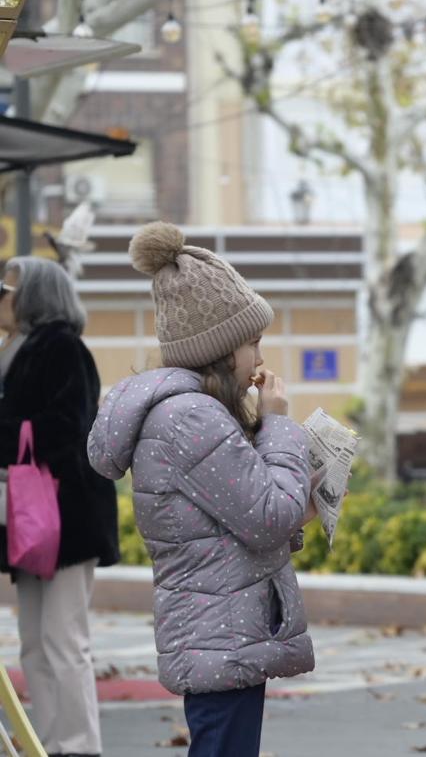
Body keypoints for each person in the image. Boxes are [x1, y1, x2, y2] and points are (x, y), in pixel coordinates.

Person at [87, 222, 321, 757]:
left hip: (224, 625)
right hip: (221, 631)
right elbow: (267, 514)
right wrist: (280, 425)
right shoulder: (190, 417)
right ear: (219, 347)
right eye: (252, 342)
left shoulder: (190, 413)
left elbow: (242, 521)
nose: (260, 358)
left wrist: (303, 501)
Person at [0, 256, 118, 757]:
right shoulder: (17, 348)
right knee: (33, 640)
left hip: (64, 515)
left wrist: (10, 436)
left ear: (33, 297)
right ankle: (47, 742)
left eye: (7, 291)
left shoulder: (62, 346)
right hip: (33, 515)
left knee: (64, 638)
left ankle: (78, 745)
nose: (1, 300)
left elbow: (69, 424)